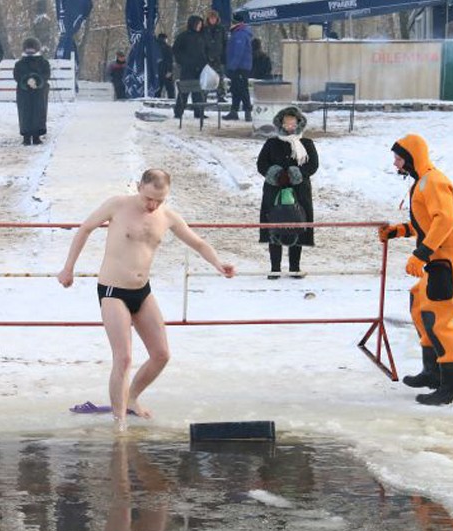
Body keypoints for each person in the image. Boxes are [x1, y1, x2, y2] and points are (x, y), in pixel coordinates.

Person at [57, 169, 235, 431]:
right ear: (139, 187)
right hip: (112, 290)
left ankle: (132, 398)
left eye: (159, 200)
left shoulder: (167, 217)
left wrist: (219, 264)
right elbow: (85, 229)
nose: (152, 205)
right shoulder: (118, 205)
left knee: (161, 354)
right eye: (149, 198)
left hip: (142, 290)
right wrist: (68, 268)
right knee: (124, 358)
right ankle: (120, 422)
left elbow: (197, 243)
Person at [379, 134, 453, 406]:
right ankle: (432, 373)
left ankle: (451, 386)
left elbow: (445, 221)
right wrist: (400, 231)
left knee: (438, 319)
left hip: (447, 261)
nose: (395, 164)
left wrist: (421, 254)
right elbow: (426, 224)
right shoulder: (422, 182)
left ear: (410, 157)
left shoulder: (434, 182)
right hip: (436, 258)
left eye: (398, 158)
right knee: (419, 308)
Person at [256, 107, 318, 278]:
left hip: (299, 191)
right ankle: (275, 268)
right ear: (280, 123)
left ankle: (294, 267)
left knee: (296, 225)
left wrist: (297, 174)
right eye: (286, 122)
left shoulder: (307, 144)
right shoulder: (271, 143)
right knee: (274, 226)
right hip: (274, 191)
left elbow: (313, 165)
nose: (289, 126)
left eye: (293, 122)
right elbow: (261, 164)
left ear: (299, 123)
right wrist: (274, 174)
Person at [13, 37, 50, 146]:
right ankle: (26, 136)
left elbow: (46, 75)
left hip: (39, 92)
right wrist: (26, 81)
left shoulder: (43, 62)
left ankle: (37, 136)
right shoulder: (19, 63)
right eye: (28, 49)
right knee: (25, 113)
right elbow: (17, 76)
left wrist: (37, 81)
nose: (30, 51)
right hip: (24, 93)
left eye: (32, 49)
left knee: (39, 112)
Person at [172, 15, 207, 119]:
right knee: (184, 91)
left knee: (198, 92)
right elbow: (176, 50)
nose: (199, 26)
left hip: (200, 68)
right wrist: (183, 61)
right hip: (187, 68)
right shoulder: (183, 36)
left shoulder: (202, 36)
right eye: (198, 24)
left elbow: (205, 51)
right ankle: (178, 112)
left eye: (201, 24)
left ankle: (199, 112)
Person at [222, 12, 253, 122]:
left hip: (239, 67)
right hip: (241, 66)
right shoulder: (239, 32)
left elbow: (238, 52)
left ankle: (247, 111)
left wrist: (232, 66)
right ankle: (234, 111)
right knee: (236, 89)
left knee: (242, 89)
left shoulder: (240, 33)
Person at [202, 9, 227, 101]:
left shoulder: (221, 29)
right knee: (206, 77)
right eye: (211, 18)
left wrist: (224, 56)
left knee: (219, 77)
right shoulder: (204, 29)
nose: (213, 20)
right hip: (207, 57)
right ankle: (204, 96)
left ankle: (220, 95)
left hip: (218, 56)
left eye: (214, 18)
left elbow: (225, 43)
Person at [155, 33, 175, 99]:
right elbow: (170, 60)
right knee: (170, 90)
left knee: (157, 90)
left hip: (157, 71)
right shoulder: (167, 47)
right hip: (166, 71)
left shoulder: (154, 48)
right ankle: (171, 102)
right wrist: (170, 70)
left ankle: (155, 103)